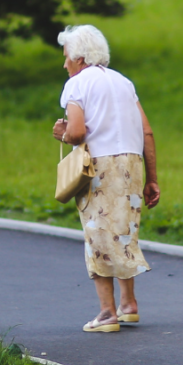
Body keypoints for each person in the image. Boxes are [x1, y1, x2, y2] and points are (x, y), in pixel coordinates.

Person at [51, 25, 161, 333]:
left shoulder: (76, 84)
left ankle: (106, 313)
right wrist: (152, 179)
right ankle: (129, 305)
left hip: (100, 167)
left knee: (97, 235)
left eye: (66, 57)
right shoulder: (124, 82)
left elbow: (76, 132)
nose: (64, 64)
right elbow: (147, 132)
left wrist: (61, 132)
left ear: (80, 57)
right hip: (132, 163)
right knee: (123, 232)